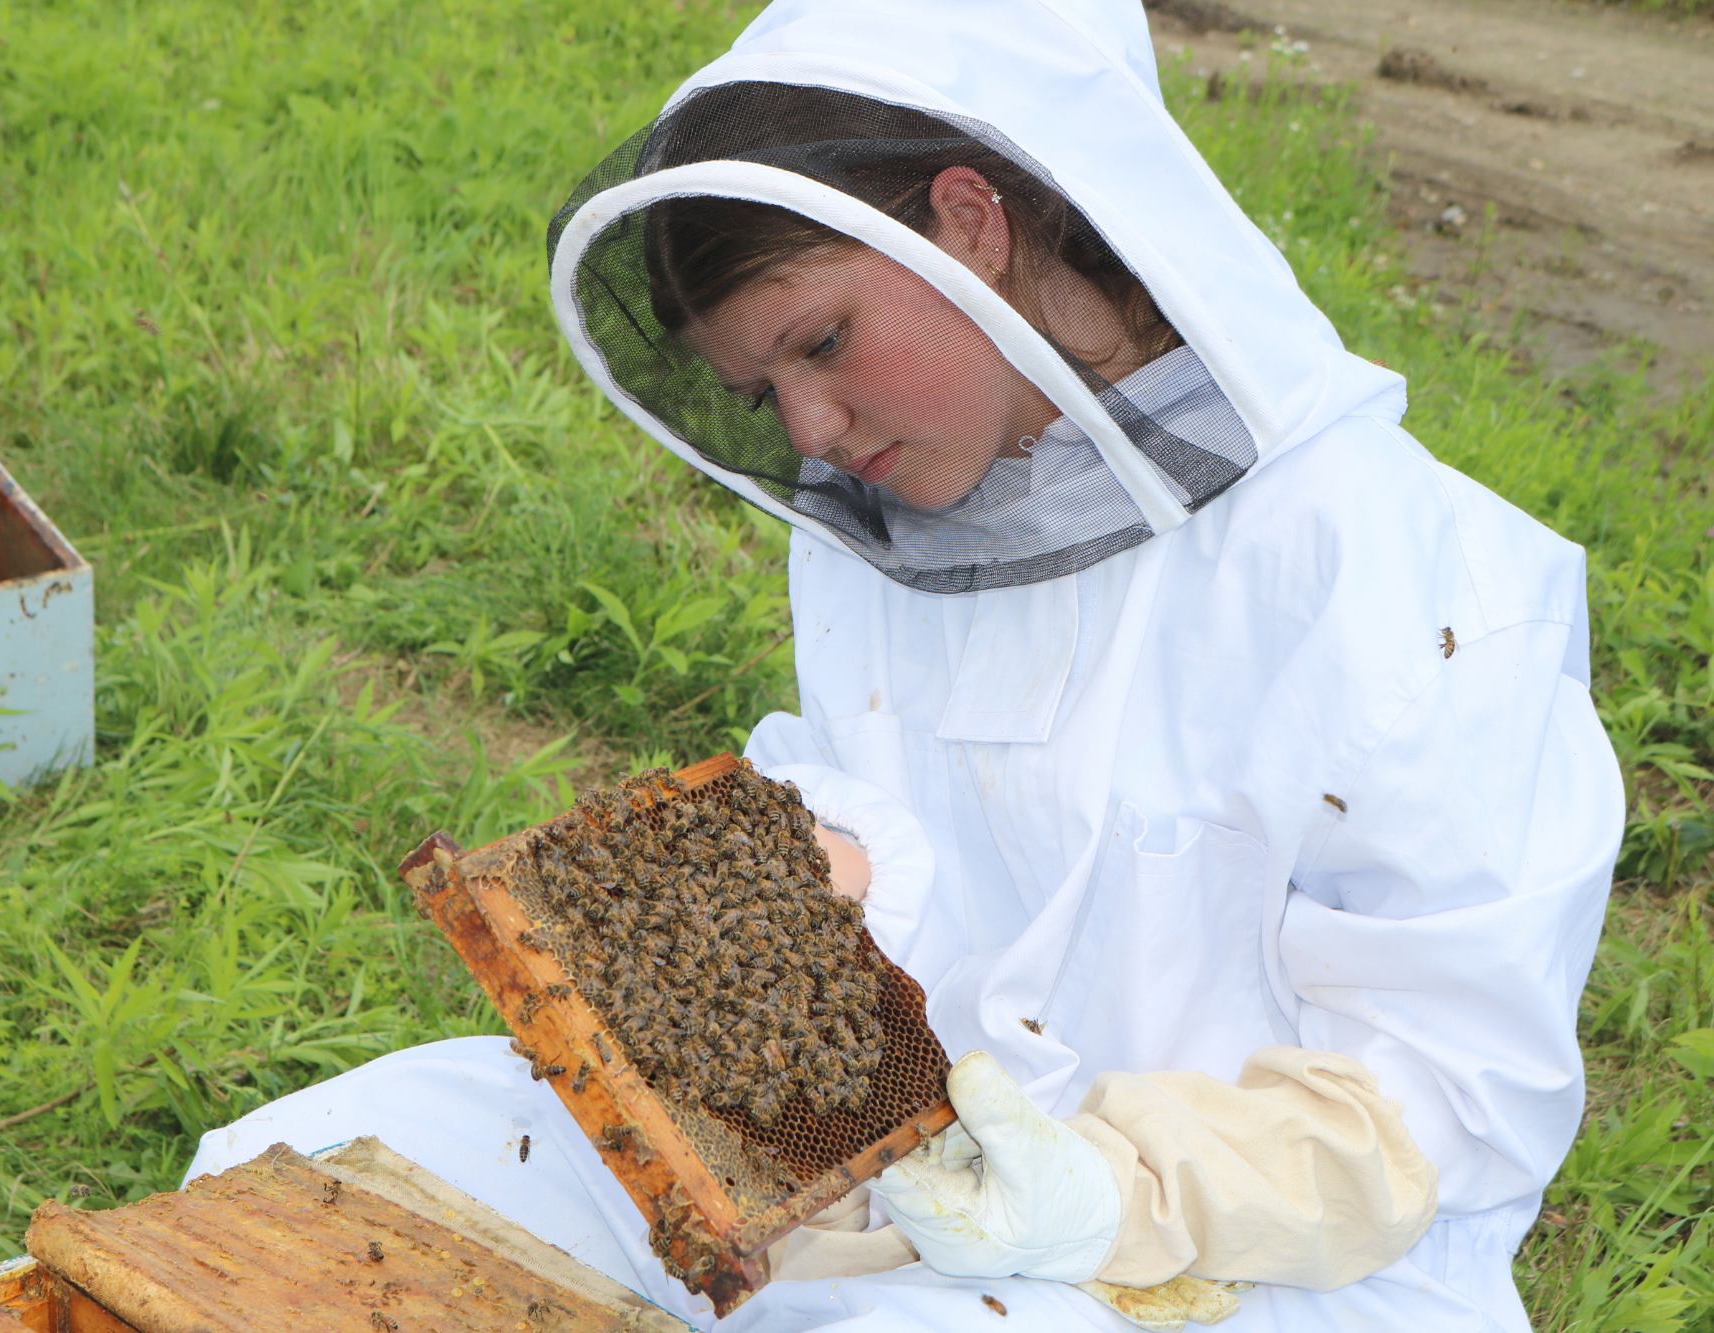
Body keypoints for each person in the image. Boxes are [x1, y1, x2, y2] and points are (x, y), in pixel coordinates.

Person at [185, 1, 1622, 1328]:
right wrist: (803, 874)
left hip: (1251, 1272)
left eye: (823, 342)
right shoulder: (904, 514)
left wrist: (1115, 1186)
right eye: (766, 389)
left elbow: (1455, 1099)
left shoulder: (1405, 580)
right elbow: (903, 817)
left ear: (970, 223)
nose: (811, 428)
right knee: (309, 1173)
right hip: (879, 1186)